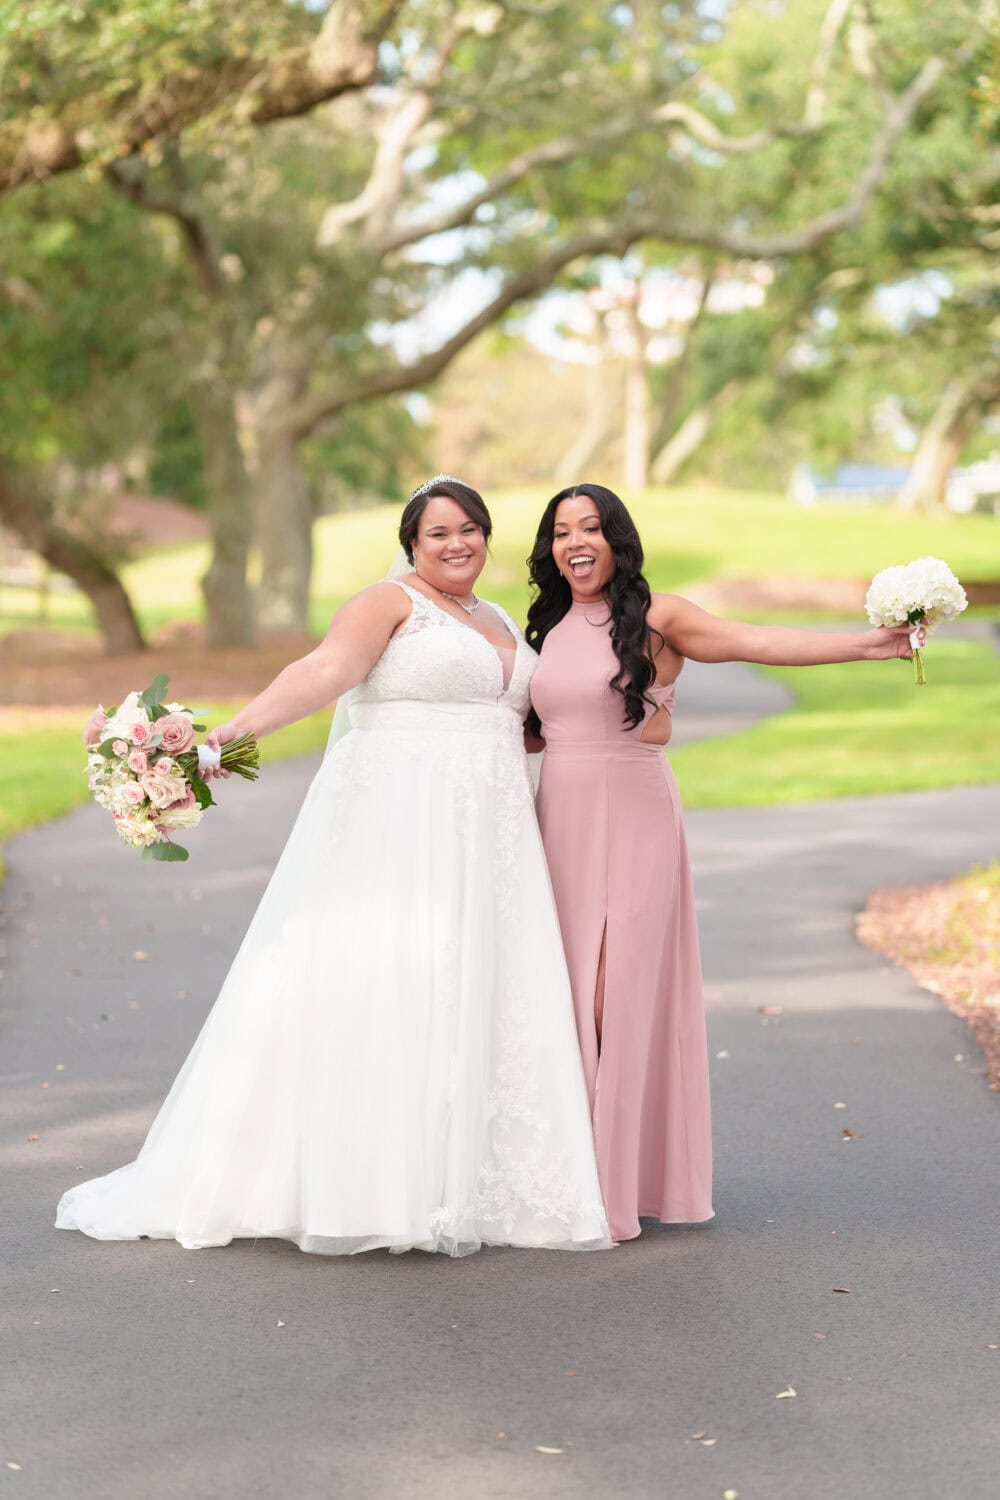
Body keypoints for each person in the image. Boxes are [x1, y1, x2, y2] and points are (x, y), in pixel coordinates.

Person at [57, 478, 610, 1257]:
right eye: (438, 533)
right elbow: (321, 674)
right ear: (412, 544)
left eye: (471, 530)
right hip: (401, 821)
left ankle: (469, 1179)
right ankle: (369, 1181)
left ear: (488, 538)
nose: (458, 544)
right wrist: (223, 745)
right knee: (389, 981)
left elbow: (525, 723)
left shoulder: (497, 621)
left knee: (479, 986)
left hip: (490, 836)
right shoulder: (388, 602)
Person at [525, 482, 925, 1244]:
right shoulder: (545, 627)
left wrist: (867, 642)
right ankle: (560, 1173)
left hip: (635, 818)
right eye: (561, 531)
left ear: (617, 539)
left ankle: (611, 1187)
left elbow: (755, 640)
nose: (576, 542)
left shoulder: (659, 617)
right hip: (560, 824)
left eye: (591, 527)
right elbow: (539, 730)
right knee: (564, 995)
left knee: (612, 997)